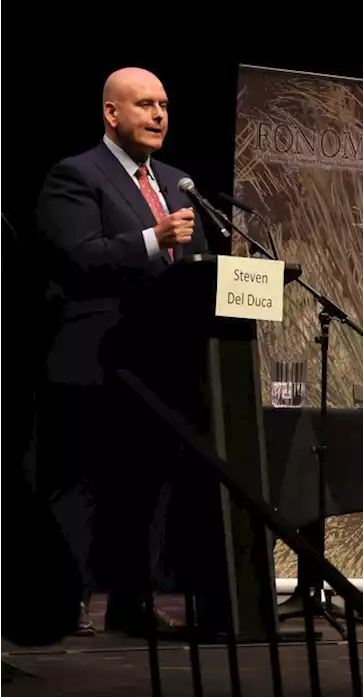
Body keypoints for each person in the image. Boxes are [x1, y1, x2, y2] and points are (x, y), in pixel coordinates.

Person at [34, 67, 208, 638]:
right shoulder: (76, 175)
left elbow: (195, 271)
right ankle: (65, 601)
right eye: (144, 105)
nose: (159, 115)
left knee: (146, 486)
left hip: (158, 364)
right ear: (112, 114)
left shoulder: (179, 184)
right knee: (81, 486)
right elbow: (76, 256)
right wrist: (152, 240)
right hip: (93, 359)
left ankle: (134, 602)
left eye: (163, 104)